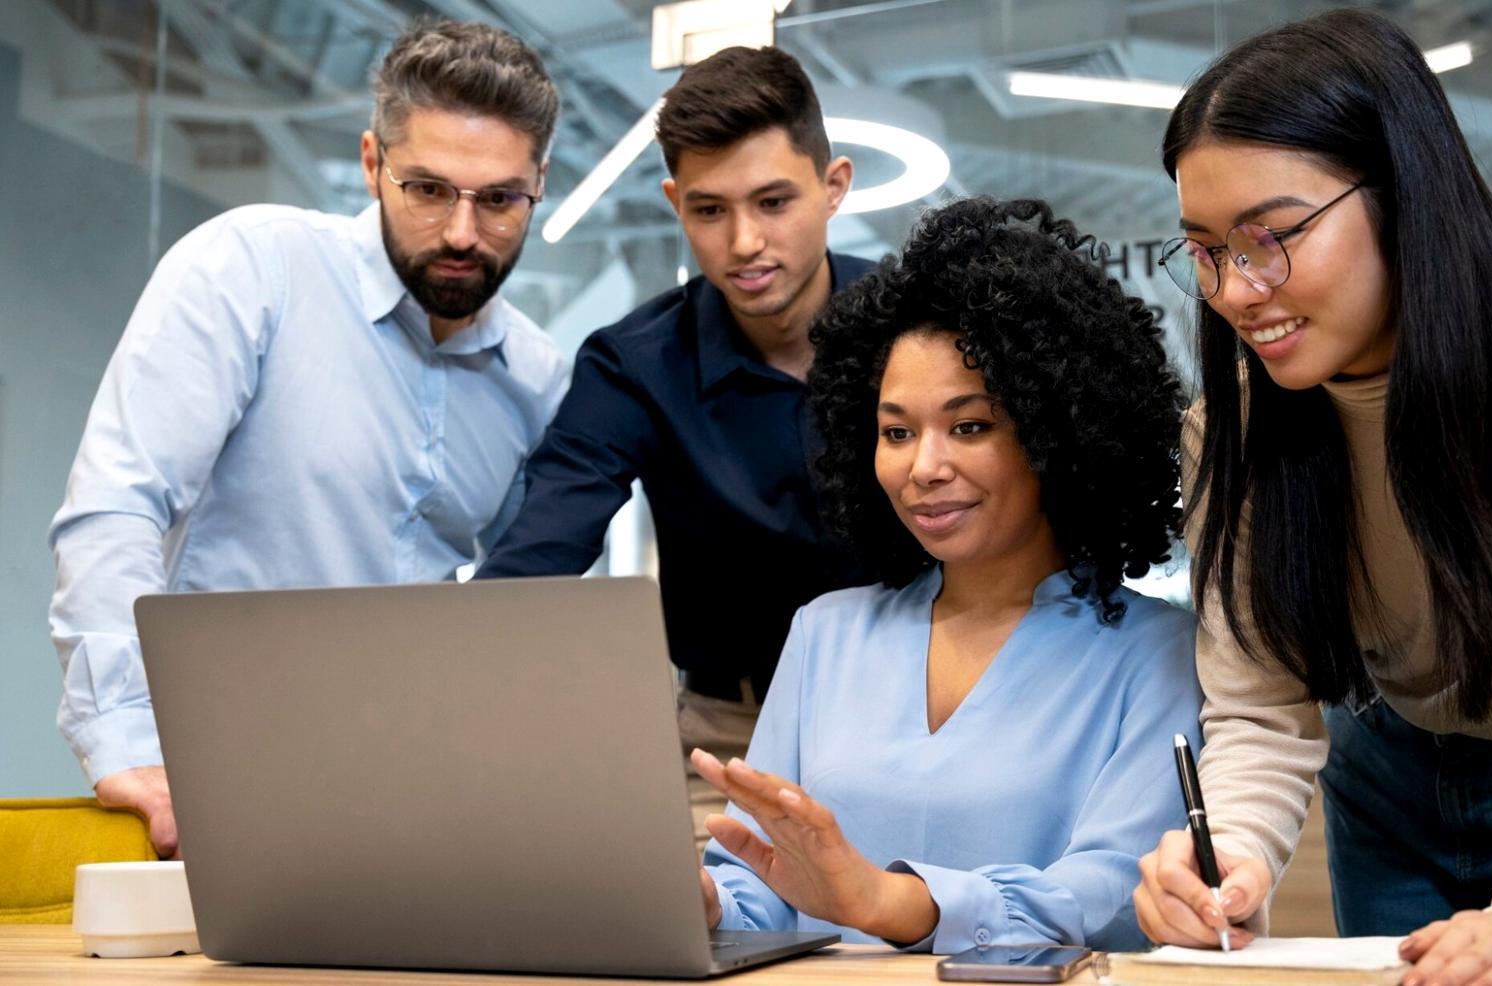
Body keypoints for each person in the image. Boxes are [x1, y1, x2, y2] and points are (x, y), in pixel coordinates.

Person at [1130, 10, 1492, 986]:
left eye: (1270, 236)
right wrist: (1229, 863)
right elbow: (1257, 705)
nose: (1236, 288)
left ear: (1401, 193)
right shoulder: (1233, 425)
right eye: (1207, 249)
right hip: (1389, 780)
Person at [48, 19, 569, 859]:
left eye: (499, 199)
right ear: (372, 164)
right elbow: (117, 506)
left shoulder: (537, 380)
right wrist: (130, 745)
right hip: (208, 782)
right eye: (428, 189)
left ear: (539, 183)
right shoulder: (252, 269)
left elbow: (507, 618)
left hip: (414, 796)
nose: (463, 232)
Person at [689, 197, 1203, 952]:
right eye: (896, 431)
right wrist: (699, 899)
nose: (924, 467)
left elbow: (1114, 896)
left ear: (1058, 433)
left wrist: (890, 902)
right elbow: (759, 883)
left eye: (970, 426)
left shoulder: (1156, 652)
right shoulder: (825, 633)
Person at [474, 46, 870, 846]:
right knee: (682, 942)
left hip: (917, 724)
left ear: (834, 189)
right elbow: (538, 554)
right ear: (673, 203)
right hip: (726, 745)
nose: (745, 242)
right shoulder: (635, 364)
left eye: (773, 201)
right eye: (709, 210)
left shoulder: (924, 327)